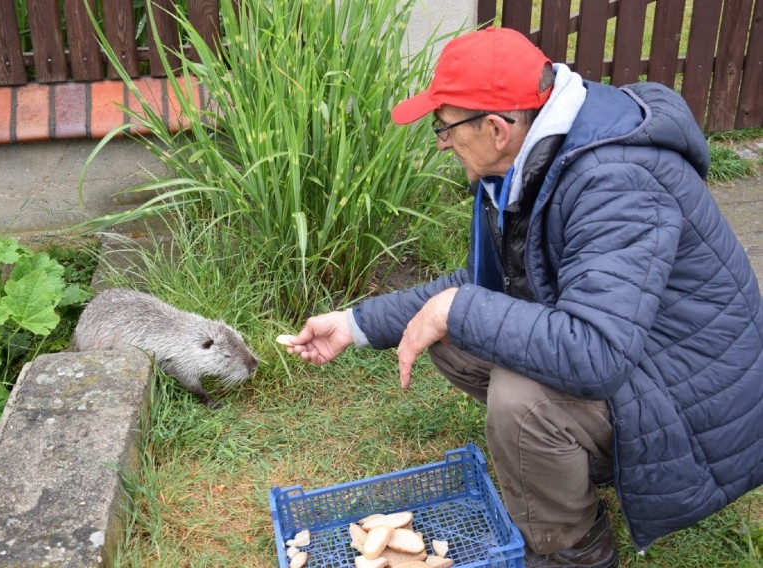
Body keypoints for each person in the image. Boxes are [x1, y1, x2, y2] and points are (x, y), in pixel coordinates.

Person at [283, 26, 763, 568]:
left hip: (700, 401)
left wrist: (457, 309)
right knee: (453, 332)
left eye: (444, 130)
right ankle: (572, 462)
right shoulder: (532, 157)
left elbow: (597, 353)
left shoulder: (615, 180)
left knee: (521, 400)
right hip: (643, 354)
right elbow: (483, 284)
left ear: (495, 127)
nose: (442, 144)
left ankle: (574, 552)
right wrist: (355, 322)